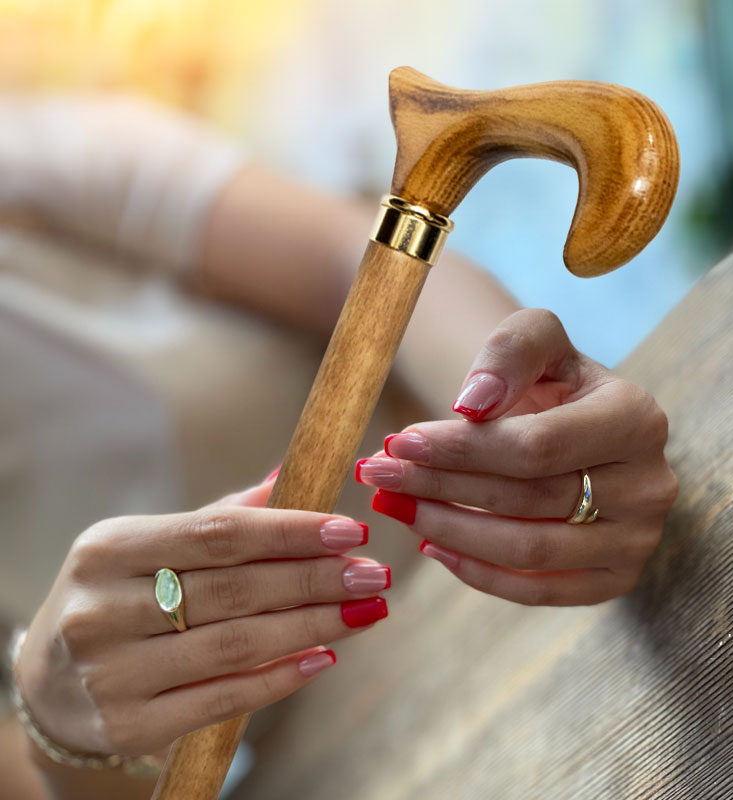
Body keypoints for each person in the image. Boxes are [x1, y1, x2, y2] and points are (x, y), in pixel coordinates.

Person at [0, 94, 677, 799]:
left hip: (562, 605)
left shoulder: (30, 162)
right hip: (374, 769)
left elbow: (342, 261)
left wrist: (521, 415)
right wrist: (60, 728)